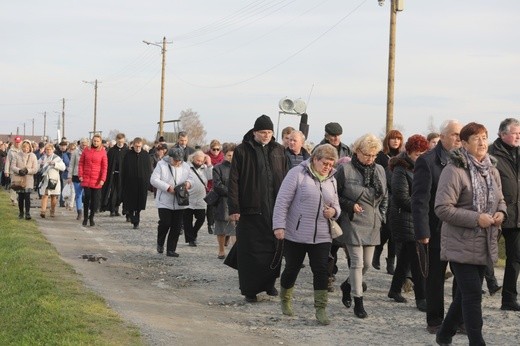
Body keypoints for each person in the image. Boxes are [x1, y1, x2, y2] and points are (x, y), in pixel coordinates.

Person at [434, 122, 506, 346]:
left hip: (484, 243)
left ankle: (444, 333)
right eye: (476, 138)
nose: (483, 142)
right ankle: (477, 341)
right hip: (460, 244)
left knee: (464, 295)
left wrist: (501, 213)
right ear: (464, 144)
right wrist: (477, 218)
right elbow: (442, 208)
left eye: (484, 137)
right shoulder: (453, 170)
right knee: (474, 294)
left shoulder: (492, 170)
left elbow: (500, 200)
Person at [273, 144, 340, 325]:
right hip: (296, 232)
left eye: (331, 164)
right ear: (315, 159)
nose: (328, 167)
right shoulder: (297, 174)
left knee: (320, 270)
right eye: (325, 163)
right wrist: (279, 226)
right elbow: (282, 201)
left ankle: (321, 309)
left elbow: (337, 204)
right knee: (292, 267)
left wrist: (334, 212)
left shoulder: (332, 179)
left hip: (322, 234)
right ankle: (285, 299)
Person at [228, 114, 289, 302]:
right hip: (250, 209)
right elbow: (234, 181)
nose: (267, 135)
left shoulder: (279, 150)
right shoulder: (242, 150)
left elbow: (286, 178)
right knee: (251, 251)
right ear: (255, 132)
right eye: (263, 132)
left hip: (275, 208)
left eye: (270, 132)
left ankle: (269, 284)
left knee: (274, 247)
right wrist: (234, 208)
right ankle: (250, 290)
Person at [411, 119, 463, 334]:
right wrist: (423, 231)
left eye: (461, 135)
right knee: (435, 278)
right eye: (454, 135)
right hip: (435, 229)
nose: (458, 139)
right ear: (442, 137)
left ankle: (459, 320)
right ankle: (434, 320)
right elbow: (420, 199)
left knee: (462, 277)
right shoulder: (428, 161)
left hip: (460, 229)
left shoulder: (465, 160)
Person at [336, 133, 388, 318]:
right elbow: (334, 195)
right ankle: (358, 300)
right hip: (352, 221)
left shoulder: (380, 169)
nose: (370, 159)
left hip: (373, 222)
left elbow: (385, 196)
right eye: (367, 155)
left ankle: (347, 285)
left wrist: (381, 216)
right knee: (357, 263)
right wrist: (350, 205)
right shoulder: (344, 170)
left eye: (374, 155)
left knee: (367, 264)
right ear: (357, 151)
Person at [386, 134, 429, 311]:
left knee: (405, 257)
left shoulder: (422, 168)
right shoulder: (400, 169)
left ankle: (394, 289)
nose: (421, 157)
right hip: (403, 217)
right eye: (418, 154)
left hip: (417, 217)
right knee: (417, 259)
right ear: (410, 151)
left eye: (423, 154)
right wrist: (423, 206)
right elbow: (401, 197)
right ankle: (422, 298)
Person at [313, 122, 352, 291]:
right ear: (327, 135)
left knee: (342, 241)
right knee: (328, 245)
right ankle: (327, 276)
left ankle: (352, 278)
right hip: (325, 195)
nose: (336, 138)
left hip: (341, 196)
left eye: (338, 135)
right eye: (333, 135)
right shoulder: (319, 149)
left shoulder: (346, 149)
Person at [488, 118, 520, 311]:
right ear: (502, 133)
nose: (518, 137)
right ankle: (469, 293)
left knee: (515, 257)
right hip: (494, 214)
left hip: (516, 215)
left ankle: (508, 299)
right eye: (515, 133)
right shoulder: (492, 154)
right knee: (482, 256)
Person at [150, 147, 192, 257]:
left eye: (180, 160)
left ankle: (171, 249)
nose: (178, 162)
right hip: (164, 201)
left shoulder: (186, 166)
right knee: (165, 223)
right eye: (175, 160)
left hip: (180, 201)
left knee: (176, 227)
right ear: (171, 157)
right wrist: (168, 187)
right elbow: (154, 180)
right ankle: (160, 243)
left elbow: (191, 178)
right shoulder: (161, 165)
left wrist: (188, 184)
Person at [373, 129, 404, 275]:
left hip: (397, 197)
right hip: (384, 195)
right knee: (385, 229)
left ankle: (391, 262)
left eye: (398, 139)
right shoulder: (381, 156)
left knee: (394, 233)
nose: (396, 141)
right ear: (388, 140)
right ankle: (377, 252)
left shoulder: (402, 156)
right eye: (393, 139)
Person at [121, 137, 153, 229]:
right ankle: (131, 215)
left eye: (139, 146)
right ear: (133, 145)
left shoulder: (145, 155)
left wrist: (147, 181)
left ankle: (137, 217)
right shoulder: (128, 155)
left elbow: (148, 169)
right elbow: (124, 169)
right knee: (130, 202)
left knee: (140, 202)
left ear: (141, 145)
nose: (138, 148)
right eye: (136, 146)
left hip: (142, 183)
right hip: (130, 182)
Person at [212, 143, 236, 259]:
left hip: (237, 201)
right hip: (222, 201)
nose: (231, 157)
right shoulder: (217, 168)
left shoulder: (240, 168)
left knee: (235, 228)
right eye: (229, 155)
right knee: (221, 227)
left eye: (233, 155)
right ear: (224, 155)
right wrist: (231, 192)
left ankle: (236, 252)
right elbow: (217, 185)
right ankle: (221, 250)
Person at [184, 150, 212, 246]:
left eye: (201, 161)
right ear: (193, 159)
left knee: (201, 218)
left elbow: (211, 176)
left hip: (201, 199)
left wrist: (209, 164)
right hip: (188, 198)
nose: (199, 163)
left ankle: (193, 233)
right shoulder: (187, 167)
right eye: (197, 160)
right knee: (187, 220)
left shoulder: (205, 168)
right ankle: (190, 239)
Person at [79, 134, 108, 226]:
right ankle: (85, 218)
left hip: (97, 180)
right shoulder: (86, 150)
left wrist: (103, 179)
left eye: (97, 141)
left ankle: (91, 217)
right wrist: (80, 175)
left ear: (100, 142)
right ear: (92, 141)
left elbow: (104, 167)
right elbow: (81, 163)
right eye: (94, 141)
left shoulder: (103, 152)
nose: (95, 142)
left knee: (95, 201)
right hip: (87, 178)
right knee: (87, 198)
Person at [102, 133, 128, 216]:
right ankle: (112, 210)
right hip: (113, 175)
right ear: (116, 140)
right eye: (119, 141)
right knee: (113, 193)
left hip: (123, 176)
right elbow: (108, 163)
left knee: (121, 193)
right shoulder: (112, 151)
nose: (120, 143)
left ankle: (118, 209)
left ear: (124, 141)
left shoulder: (127, 151)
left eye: (122, 141)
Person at [11, 140, 38, 220]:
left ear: (29, 147)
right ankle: (21, 212)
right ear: (21, 147)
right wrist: (19, 170)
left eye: (27, 147)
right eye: (24, 147)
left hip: (28, 178)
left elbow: (35, 169)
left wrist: (28, 171)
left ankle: (27, 213)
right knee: (20, 196)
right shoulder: (17, 155)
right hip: (19, 178)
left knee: (27, 196)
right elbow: (12, 166)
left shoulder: (33, 156)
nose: (25, 149)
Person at [38, 143, 66, 218]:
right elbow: (37, 167)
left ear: (52, 149)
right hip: (45, 179)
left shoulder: (57, 158)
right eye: (47, 149)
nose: (48, 151)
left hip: (54, 180)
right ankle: (43, 211)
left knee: (54, 196)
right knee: (45, 195)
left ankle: (52, 210)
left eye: (50, 149)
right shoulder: (42, 158)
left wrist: (54, 164)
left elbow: (63, 167)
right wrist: (41, 165)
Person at [205, 139, 224, 234]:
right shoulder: (206, 157)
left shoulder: (223, 157)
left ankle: (216, 223)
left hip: (219, 183)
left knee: (218, 205)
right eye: (214, 149)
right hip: (208, 184)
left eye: (218, 149)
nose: (216, 151)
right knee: (210, 204)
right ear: (210, 148)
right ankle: (210, 224)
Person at [68, 138, 89, 220]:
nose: (84, 145)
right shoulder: (75, 152)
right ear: (80, 144)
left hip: (87, 175)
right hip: (76, 175)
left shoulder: (90, 152)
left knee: (86, 194)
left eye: (85, 143)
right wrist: (70, 176)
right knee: (78, 194)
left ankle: (86, 209)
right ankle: (79, 211)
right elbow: (71, 165)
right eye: (82, 143)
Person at [4, 136, 23, 205]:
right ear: (14, 142)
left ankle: (17, 198)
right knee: (13, 185)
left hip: (20, 171)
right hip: (12, 171)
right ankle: (13, 199)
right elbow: (8, 161)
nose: (18, 144)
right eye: (16, 142)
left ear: (21, 142)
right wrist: (6, 171)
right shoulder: (11, 150)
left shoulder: (22, 150)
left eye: (19, 142)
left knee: (20, 186)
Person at [55, 140, 70, 207]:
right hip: (57, 172)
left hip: (65, 173)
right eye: (61, 146)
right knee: (58, 188)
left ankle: (62, 201)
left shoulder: (68, 153)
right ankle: (58, 200)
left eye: (64, 146)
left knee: (64, 188)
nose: (63, 147)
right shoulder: (56, 153)